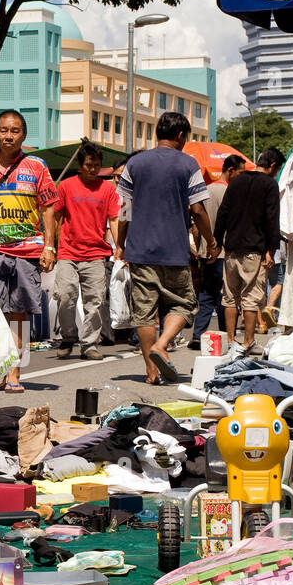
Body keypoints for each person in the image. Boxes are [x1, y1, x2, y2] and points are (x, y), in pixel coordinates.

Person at [115, 112, 214, 384]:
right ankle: (163, 344)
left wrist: (121, 244)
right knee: (184, 304)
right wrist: (211, 240)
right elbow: (198, 209)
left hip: (140, 251)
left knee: (144, 312)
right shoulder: (188, 164)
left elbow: (124, 211)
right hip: (174, 251)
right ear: (181, 135)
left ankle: (151, 371)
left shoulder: (134, 163)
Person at [0, 109, 60, 392]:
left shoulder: (37, 166)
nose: (8, 136)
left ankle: (14, 374)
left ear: (23, 134)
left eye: (14, 131)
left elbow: (48, 207)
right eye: (3, 130)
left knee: (20, 313)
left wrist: (49, 246)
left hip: (27, 250)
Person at [53, 140, 119, 361]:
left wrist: (120, 247)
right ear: (80, 165)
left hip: (96, 254)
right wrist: (50, 246)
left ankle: (89, 344)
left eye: (97, 164)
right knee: (65, 295)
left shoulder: (108, 189)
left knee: (95, 301)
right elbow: (55, 215)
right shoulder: (66, 186)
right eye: (89, 164)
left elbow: (115, 219)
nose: (93, 169)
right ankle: (68, 336)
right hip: (68, 252)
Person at [214, 147, 282, 358]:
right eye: (277, 169)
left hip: (231, 249)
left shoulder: (237, 182)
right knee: (251, 297)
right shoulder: (270, 184)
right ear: (272, 166)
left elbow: (223, 213)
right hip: (254, 250)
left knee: (230, 297)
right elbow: (272, 219)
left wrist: (217, 241)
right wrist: (271, 250)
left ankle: (231, 340)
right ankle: (248, 341)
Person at [192, 153, 246, 349]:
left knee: (206, 295)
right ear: (230, 170)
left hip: (206, 251)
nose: (242, 176)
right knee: (226, 296)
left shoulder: (206, 190)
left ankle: (198, 334)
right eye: (240, 172)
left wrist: (199, 249)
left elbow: (197, 223)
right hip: (224, 252)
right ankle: (226, 335)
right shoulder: (231, 193)